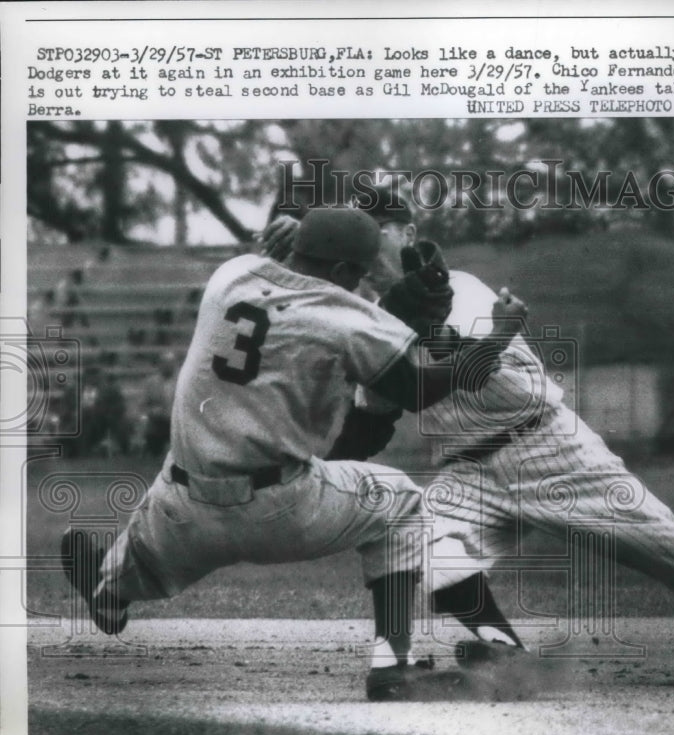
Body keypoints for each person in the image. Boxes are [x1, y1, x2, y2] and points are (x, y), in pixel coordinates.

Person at [263, 190, 674, 675]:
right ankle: (504, 652)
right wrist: (318, 466)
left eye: (376, 230)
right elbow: (370, 429)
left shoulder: (456, 287)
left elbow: (463, 366)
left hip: (550, 449)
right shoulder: (366, 319)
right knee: (427, 541)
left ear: (406, 230)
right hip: (469, 471)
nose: (367, 246)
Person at [61, 207, 529, 701]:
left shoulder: (231, 274)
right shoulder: (346, 317)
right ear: (348, 272)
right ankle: (392, 665)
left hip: (182, 507)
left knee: (161, 510)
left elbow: (286, 288)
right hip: (279, 510)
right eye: (361, 272)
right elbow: (415, 389)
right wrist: (497, 336)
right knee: (402, 502)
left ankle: (111, 592)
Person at [140, 350, 179, 457]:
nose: (167, 366)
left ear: (174, 365)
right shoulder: (151, 382)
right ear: (160, 365)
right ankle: (154, 449)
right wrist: (151, 411)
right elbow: (143, 404)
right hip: (158, 419)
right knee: (150, 425)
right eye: (165, 363)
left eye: (170, 363)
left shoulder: (183, 380)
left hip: (179, 419)